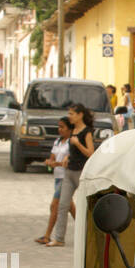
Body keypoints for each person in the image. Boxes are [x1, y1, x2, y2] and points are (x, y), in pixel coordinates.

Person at [50, 102, 95, 247]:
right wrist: (66, 157)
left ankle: (89, 237)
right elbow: (71, 151)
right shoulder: (73, 130)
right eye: (69, 113)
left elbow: (90, 153)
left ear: (80, 115)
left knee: (84, 206)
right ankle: (59, 238)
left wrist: (78, 144)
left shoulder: (86, 132)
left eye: (71, 114)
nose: (69, 116)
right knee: (63, 205)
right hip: (69, 172)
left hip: (81, 173)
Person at [36, 117, 74, 244]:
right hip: (57, 177)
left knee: (54, 206)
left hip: (66, 177)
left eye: (62, 127)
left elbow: (69, 162)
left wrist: (57, 163)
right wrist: (50, 162)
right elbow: (52, 158)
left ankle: (47, 235)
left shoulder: (71, 143)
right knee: (70, 206)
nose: (60, 129)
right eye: (59, 127)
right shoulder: (58, 141)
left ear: (69, 129)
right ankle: (84, 229)